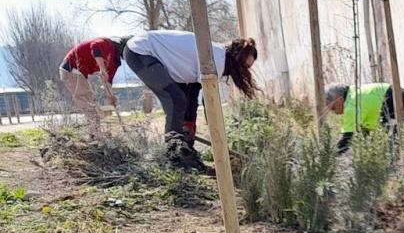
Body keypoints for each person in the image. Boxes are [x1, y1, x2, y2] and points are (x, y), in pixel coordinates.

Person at [123, 30, 259, 170]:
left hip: (154, 55)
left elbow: (193, 93)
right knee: (176, 100)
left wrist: (189, 125)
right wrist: (219, 141)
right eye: (244, 67)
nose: (244, 72)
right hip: (141, 52)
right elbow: (210, 105)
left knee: (183, 103)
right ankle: (174, 156)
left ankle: (185, 152)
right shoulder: (217, 60)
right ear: (237, 60)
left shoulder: (215, 56)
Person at [324, 82, 404, 153]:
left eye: (333, 108)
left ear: (338, 99)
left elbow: (346, 140)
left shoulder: (351, 105)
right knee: (400, 153)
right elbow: (363, 134)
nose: (335, 113)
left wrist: (329, 158)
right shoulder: (356, 91)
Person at [60, 36, 128, 117]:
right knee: (88, 102)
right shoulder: (106, 43)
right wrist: (102, 68)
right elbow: (95, 47)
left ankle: (94, 127)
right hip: (71, 69)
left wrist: (110, 96)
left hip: (80, 74)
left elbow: (107, 81)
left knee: (92, 103)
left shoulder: (114, 62)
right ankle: (94, 128)